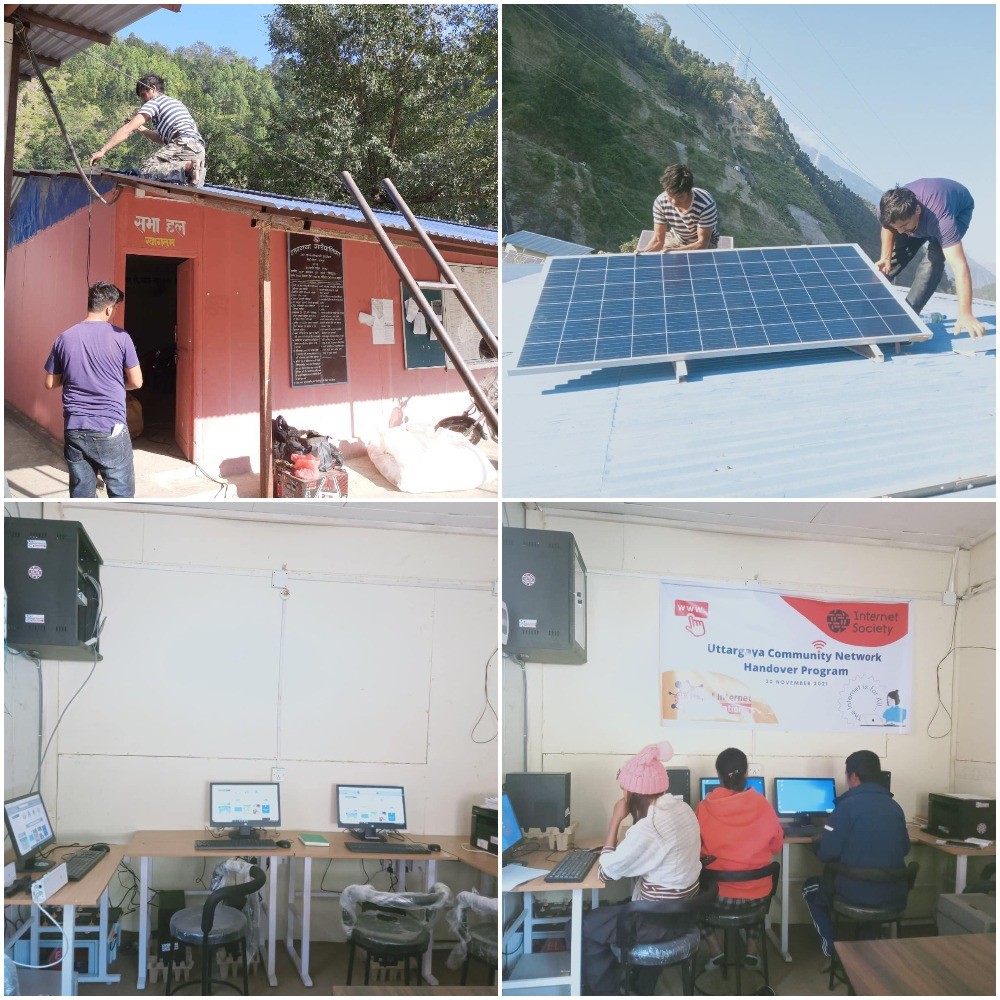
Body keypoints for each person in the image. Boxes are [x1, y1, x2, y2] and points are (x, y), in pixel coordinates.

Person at [580, 740, 702, 995]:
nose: (622, 795)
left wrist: (615, 819)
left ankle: (606, 993)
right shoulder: (684, 810)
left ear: (634, 794)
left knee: (586, 926)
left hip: (658, 921)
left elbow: (606, 871)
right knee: (614, 910)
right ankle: (639, 984)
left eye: (624, 789)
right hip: (684, 913)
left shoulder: (650, 828)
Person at [801, 750, 910, 957]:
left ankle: (831, 951)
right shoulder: (895, 807)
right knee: (870, 885)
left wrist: (822, 839)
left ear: (853, 776)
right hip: (893, 894)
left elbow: (827, 854)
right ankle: (866, 949)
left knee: (809, 888)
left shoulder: (845, 807)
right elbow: (905, 848)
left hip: (853, 893)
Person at [44, 282, 143, 498]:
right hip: (110, 428)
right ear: (109, 308)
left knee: (81, 494)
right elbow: (137, 381)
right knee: (121, 496)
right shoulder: (121, 337)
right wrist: (114, 383)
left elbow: (50, 382)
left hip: (75, 428)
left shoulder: (65, 337)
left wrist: (76, 378)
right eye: (115, 308)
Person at [696, 748, 783, 970]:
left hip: (717, 898)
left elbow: (696, 852)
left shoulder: (704, 808)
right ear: (746, 774)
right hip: (757, 901)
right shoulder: (763, 805)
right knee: (755, 889)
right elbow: (776, 846)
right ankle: (752, 950)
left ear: (718, 775)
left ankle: (715, 949)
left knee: (691, 897)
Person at [875, 179, 984, 338]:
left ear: (917, 209)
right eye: (896, 227)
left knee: (932, 261)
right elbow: (888, 228)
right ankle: (866, 301)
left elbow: (959, 266)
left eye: (904, 226)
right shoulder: (886, 208)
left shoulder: (943, 221)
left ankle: (908, 318)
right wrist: (885, 257)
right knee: (891, 259)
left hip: (957, 210)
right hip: (919, 218)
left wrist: (966, 313)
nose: (900, 231)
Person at [89, 73, 206, 187]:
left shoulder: (155, 102)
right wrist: (142, 128)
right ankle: (191, 170)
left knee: (146, 171)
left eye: (143, 95)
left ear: (153, 89)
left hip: (183, 144)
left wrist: (103, 150)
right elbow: (161, 139)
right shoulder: (175, 102)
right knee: (171, 176)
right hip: (197, 149)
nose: (143, 100)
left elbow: (128, 129)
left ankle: (187, 167)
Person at [642, 164, 720, 253]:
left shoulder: (706, 204)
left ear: (689, 190)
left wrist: (675, 251)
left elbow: (703, 243)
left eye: (680, 197)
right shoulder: (660, 202)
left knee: (693, 264)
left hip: (704, 242)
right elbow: (658, 240)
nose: (674, 202)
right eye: (670, 196)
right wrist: (643, 253)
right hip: (678, 237)